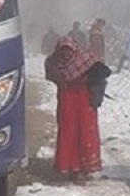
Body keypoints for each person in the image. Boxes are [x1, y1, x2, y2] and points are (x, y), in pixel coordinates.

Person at [44, 36, 111, 183]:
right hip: (72, 100)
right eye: (64, 51)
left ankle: (83, 168)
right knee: (72, 133)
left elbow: (102, 71)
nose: (66, 54)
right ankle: (75, 168)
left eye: (69, 50)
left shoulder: (78, 58)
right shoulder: (57, 61)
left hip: (80, 100)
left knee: (83, 132)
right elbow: (52, 77)